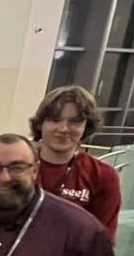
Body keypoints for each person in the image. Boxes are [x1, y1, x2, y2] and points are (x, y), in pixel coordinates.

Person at [31, 85, 121, 242]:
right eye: (54, 119)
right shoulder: (13, 166)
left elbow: (102, 244)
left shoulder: (103, 176)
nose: (63, 128)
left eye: (75, 122)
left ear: (86, 127)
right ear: (40, 124)